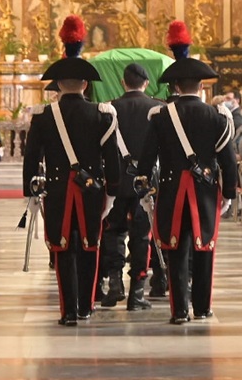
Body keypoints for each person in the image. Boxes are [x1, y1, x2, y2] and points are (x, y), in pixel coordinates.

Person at [137, 20, 236, 324]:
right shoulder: (218, 116)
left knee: (175, 249)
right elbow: (228, 159)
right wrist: (229, 193)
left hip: (170, 191)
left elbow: (147, 157)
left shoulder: (161, 116)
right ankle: (203, 307)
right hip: (205, 190)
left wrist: (143, 183)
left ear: (176, 87)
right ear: (202, 87)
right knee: (204, 248)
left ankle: (179, 310)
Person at [23, 15, 120, 326]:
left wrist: (30, 188)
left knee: (62, 250)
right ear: (86, 84)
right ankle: (86, 306)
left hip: (58, 192)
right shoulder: (101, 114)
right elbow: (112, 158)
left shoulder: (43, 116)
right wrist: (113, 191)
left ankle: (67, 311)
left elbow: (31, 157)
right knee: (91, 248)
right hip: (92, 190)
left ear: (58, 85)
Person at [99, 63, 163, 310]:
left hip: (115, 180)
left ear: (123, 83)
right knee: (142, 236)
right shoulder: (158, 108)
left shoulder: (109, 109)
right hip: (146, 182)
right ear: (146, 83)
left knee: (113, 231)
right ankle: (137, 292)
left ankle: (115, 285)